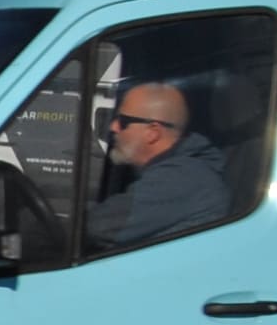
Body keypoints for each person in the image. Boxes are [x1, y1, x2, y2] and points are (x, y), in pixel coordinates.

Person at [85, 81, 230, 253]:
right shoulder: (181, 171)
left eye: (123, 121)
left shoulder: (182, 177)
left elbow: (97, 227)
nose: (113, 127)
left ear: (153, 132)